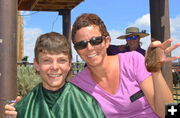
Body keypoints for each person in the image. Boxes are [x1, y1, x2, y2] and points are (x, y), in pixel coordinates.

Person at [70, 13, 180, 118]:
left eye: (96, 40)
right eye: (81, 44)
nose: (89, 48)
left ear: (107, 41)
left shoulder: (133, 60)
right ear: (76, 50)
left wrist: (156, 71)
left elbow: (169, 113)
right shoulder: (77, 85)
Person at [4, 32, 104, 118]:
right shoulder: (24, 108)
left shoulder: (87, 104)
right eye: (47, 61)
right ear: (36, 64)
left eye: (61, 60)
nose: (55, 67)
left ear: (69, 64)